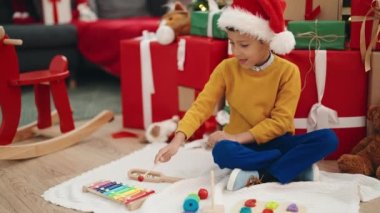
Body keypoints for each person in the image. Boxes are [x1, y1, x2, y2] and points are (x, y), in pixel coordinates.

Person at [154, 0, 338, 191]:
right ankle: (289, 168)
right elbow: (202, 105)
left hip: (274, 141)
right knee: (222, 151)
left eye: (243, 45)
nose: (236, 52)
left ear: (265, 40)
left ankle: (262, 174)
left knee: (328, 138)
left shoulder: (288, 72)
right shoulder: (226, 68)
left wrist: (236, 138)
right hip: (244, 147)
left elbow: (281, 122)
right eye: (231, 43)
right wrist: (177, 141)